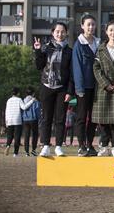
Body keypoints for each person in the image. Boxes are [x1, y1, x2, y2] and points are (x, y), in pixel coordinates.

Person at [33, 22, 73, 157]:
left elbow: (71, 73)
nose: (60, 34)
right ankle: (45, 145)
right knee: (46, 118)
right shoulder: (46, 48)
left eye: (62, 32)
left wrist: (70, 91)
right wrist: (38, 50)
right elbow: (39, 66)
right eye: (57, 31)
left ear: (66, 33)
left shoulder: (69, 51)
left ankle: (59, 146)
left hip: (62, 88)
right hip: (46, 86)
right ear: (53, 33)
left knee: (60, 119)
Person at [92, 20, 114, 157]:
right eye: (111, 30)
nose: (113, 32)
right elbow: (96, 68)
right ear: (106, 32)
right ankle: (104, 146)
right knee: (104, 121)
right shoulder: (100, 49)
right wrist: (105, 84)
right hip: (103, 89)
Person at [73, 14, 100, 157]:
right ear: (82, 26)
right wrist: (79, 88)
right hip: (83, 88)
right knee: (81, 117)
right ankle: (81, 146)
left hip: (97, 88)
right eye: (88, 24)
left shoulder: (98, 43)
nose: (91, 27)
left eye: (93, 24)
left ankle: (90, 144)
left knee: (94, 118)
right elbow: (77, 67)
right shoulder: (78, 44)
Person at [5, 87, 35, 157]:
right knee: (17, 137)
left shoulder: (8, 100)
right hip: (17, 120)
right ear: (18, 93)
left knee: (10, 135)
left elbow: (6, 111)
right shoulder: (19, 99)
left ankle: (8, 145)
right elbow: (24, 107)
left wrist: (6, 121)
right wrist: (32, 101)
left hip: (9, 120)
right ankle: (15, 153)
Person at [22, 87, 41, 156]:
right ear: (33, 93)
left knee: (26, 135)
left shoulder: (23, 100)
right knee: (35, 135)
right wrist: (39, 118)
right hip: (33, 119)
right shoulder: (35, 101)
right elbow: (38, 111)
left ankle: (26, 151)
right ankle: (33, 150)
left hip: (25, 120)